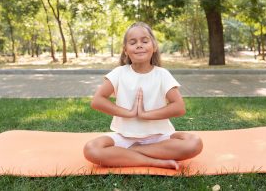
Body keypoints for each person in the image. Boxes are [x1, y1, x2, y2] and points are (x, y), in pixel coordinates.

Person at [83, 21, 203, 170]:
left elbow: (179, 107)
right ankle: (155, 162)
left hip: (160, 140)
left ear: (154, 46)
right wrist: (129, 113)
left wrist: (146, 115)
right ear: (125, 50)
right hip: (124, 138)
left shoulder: (162, 74)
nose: (139, 45)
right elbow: (97, 101)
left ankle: (130, 153)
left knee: (194, 143)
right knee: (91, 149)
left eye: (144, 41)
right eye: (133, 42)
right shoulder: (119, 73)